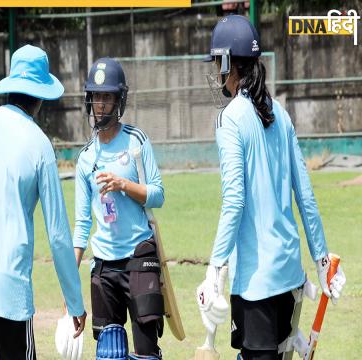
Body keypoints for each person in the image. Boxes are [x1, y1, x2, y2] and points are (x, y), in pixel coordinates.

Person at [196, 15, 346, 360]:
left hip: (257, 284)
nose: (218, 70)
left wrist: (214, 270)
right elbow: (305, 193)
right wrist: (321, 258)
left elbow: (233, 201)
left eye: (219, 62)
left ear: (232, 64)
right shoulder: (280, 111)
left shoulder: (230, 117)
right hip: (291, 274)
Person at [0, 44, 86, 360]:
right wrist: (74, 302)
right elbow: (59, 234)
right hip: (8, 292)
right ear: (41, 98)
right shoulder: (39, 145)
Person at [73, 57, 165, 359]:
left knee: (146, 352)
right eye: (96, 97)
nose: (101, 104)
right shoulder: (85, 158)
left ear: (119, 100)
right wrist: (69, 279)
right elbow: (82, 224)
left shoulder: (136, 141)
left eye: (107, 97)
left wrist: (123, 185)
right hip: (104, 264)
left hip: (139, 256)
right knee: (110, 353)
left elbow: (157, 194)